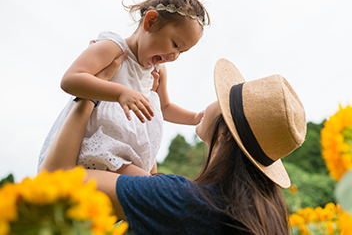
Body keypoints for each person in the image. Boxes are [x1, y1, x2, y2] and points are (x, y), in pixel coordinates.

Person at [40, 56, 307, 235]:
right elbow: (150, 188)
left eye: (221, 99)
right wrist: (152, 107)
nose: (211, 101)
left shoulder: (184, 200)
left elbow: (56, 178)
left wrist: (93, 94)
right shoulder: (262, 219)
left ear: (224, 134)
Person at [38, 0, 210, 176]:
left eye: (182, 52)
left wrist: (195, 118)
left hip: (129, 153)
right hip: (97, 147)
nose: (174, 56)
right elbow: (71, 79)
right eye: (175, 44)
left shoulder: (157, 71)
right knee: (152, 190)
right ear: (150, 21)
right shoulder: (114, 48)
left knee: (149, 190)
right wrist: (120, 92)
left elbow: (165, 108)